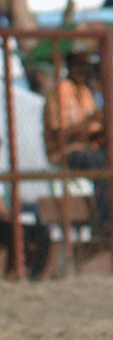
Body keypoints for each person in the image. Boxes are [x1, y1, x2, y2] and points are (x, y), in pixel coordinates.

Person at [43, 51, 110, 232]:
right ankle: (105, 222)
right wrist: (89, 122)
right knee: (100, 163)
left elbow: (93, 132)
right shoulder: (61, 91)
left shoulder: (86, 92)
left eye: (87, 66)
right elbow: (60, 133)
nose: (84, 70)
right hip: (66, 151)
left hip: (89, 148)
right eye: (80, 65)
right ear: (70, 66)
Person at [0, 134, 51, 279]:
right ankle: (14, 272)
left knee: (41, 230)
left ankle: (36, 274)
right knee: (16, 233)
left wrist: (8, 215)